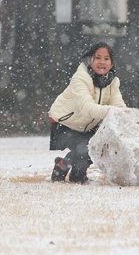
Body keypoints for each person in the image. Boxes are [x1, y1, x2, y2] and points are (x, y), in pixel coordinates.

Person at [48, 42, 126, 183]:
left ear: (112, 63)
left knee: (99, 147)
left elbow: (118, 102)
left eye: (106, 58)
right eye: (98, 57)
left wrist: (123, 112)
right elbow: (86, 107)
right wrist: (111, 111)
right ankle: (62, 166)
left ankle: (78, 174)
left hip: (87, 125)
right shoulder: (80, 78)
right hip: (66, 123)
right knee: (85, 148)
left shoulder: (113, 82)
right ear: (90, 60)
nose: (102, 62)